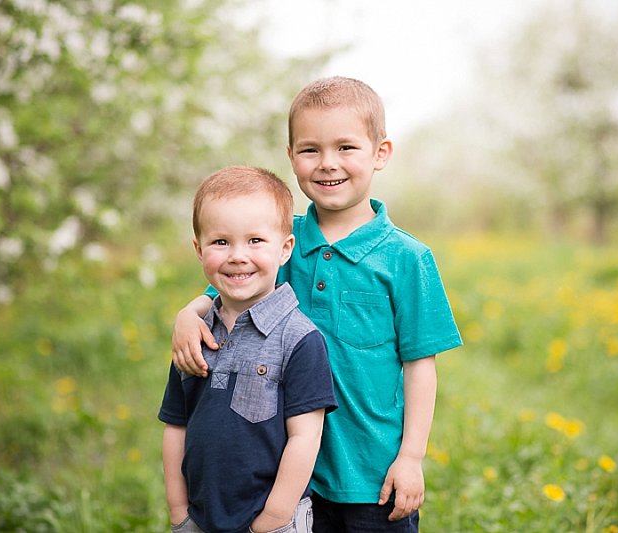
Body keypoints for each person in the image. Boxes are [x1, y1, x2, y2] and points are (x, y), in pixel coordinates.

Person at [172, 77, 462, 532]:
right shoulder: (280, 241)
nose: (328, 164)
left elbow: (420, 365)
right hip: (283, 471)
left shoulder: (407, 259)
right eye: (310, 150)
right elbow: (222, 293)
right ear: (291, 157)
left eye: (346, 147)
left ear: (380, 153)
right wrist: (186, 315)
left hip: (371, 473)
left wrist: (410, 457)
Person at [159, 166, 337, 533]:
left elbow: (306, 437)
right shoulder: (194, 335)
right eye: (221, 242)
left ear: (285, 249)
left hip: (273, 520)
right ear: (199, 249)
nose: (238, 255)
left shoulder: (299, 338)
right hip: (201, 516)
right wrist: (179, 511)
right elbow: (176, 425)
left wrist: (274, 518)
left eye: (255, 241)